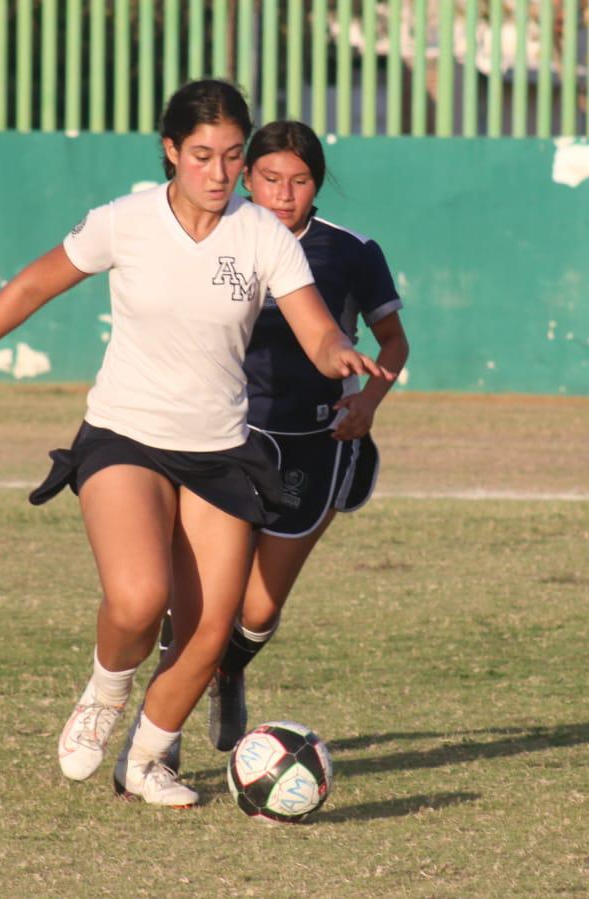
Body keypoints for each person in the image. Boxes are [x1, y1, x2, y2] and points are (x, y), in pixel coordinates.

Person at [0, 81, 390, 807]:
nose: (219, 173)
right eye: (202, 156)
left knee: (208, 631)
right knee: (138, 600)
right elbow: (32, 285)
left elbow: (315, 327)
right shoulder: (124, 221)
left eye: (232, 156)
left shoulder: (262, 234)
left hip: (219, 450)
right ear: (170, 150)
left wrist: (337, 354)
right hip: (126, 434)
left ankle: (146, 760)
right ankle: (104, 692)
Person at [203, 120, 410, 752]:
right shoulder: (213, 235)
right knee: (201, 596)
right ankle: (163, 722)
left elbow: (393, 342)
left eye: (299, 181)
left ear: (317, 183)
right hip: (224, 436)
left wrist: (367, 403)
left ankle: (228, 671)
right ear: (246, 177)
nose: (283, 194)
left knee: (258, 610)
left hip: (315, 441)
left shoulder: (350, 251)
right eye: (270, 179)